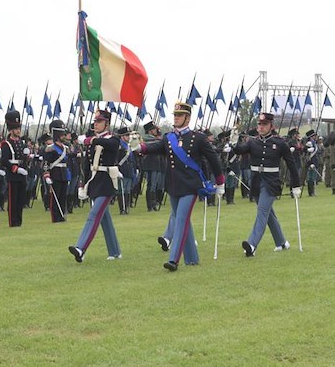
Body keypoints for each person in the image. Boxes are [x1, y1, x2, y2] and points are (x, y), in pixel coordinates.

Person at [134, 102, 225, 271]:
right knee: (183, 221)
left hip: (191, 186)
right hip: (173, 186)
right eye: (174, 115)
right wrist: (139, 147)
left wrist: (220, 181)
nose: (175, 118)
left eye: (179, 115)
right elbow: (154, 147)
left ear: (187, 118)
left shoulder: (198, 138)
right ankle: (192, 258)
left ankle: (174, 259)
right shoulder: (169, 138)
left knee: (181, 220)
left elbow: (214, 159)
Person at [226, 112, 301, 257]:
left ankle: (252, 244)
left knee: (262, 211)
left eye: (264, 124)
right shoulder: (253, 142)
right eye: (259, 124)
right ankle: (281, 241)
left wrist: (295, 185)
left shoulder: (279, 143)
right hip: (255, 182)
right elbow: (240, 150)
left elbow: (291, 164)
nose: (261, 127)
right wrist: (234, 140)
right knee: (268, 214)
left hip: (271, 182)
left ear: (271, 126)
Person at [68, 109, 122, 262]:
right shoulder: (93, 141)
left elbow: (108, 144)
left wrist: (88, 140)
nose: (96, 124)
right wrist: (82, 184)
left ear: (107, 123)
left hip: (106, 183)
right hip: (94, 182)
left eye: (99, 122)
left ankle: (81, 248)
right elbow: (86, 165)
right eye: (95, 122)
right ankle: (115, 251)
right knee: (105, 220)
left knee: (93, 215)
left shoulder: (113, 139)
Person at [0, 110, 28, 227]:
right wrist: (15, 168)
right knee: (13, 199)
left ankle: (19, 220)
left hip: (22, 174)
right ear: (11, 130)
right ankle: (13, 221)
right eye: (16, 128)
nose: (18, 130)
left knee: (20, 199)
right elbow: (4, 160)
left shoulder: (21, 143)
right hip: (13, 174)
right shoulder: (6, 144)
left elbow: (23, 159)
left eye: (19, 128)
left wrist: (27, 157)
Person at [43, 119, 70, 223]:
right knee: (56, 197)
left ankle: (62, 215)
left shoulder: (65, 148)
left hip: (63, 173)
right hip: (55, 173)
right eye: (62, 134)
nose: (64, 136)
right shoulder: (51, 148)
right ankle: (55, 217)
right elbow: (46, 163)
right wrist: (47, 175)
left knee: (63, 196)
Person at [116, 126, 137, 214]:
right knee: (122, 190)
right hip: (122, 170)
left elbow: (132, 159)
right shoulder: (119, 146)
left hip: (129, 170)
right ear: (122, 136)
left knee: (128, 190)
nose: (128, 137)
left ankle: (127, 207)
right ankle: (122, 209)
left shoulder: (128, 146)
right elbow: (116, 159)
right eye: (127, 135)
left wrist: (135, 169)